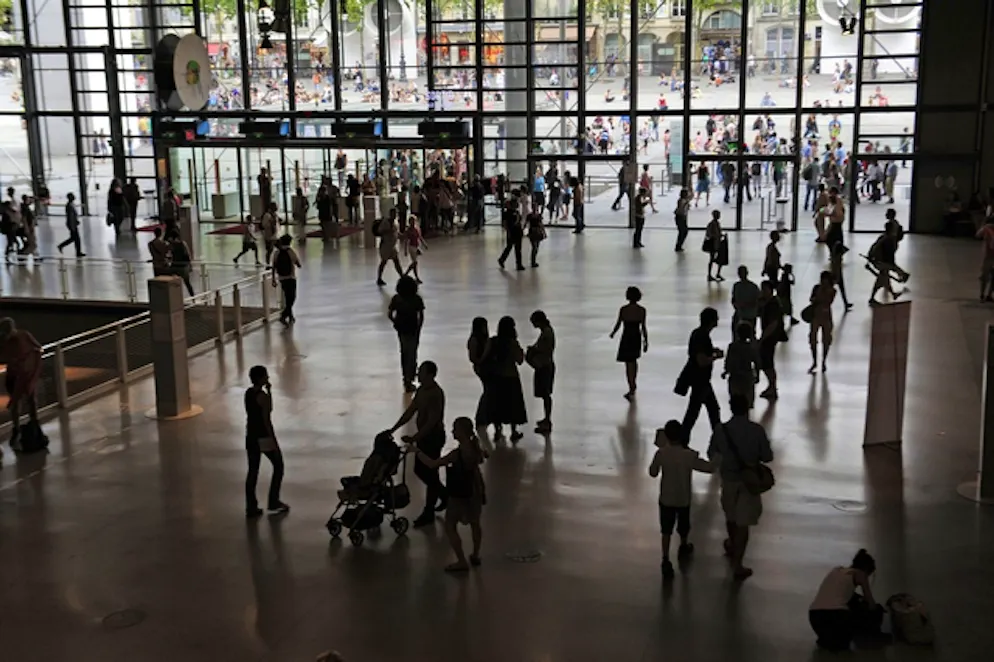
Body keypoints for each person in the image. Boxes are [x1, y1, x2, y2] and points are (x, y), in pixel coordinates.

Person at [707, 394, 773, 580]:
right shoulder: (757, 430)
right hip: (748, 482)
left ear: (731, 408)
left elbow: (712, 452)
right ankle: (738, 564)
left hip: (728, 480)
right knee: (744, 524)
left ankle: (731, 544)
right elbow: (767, 456)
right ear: (747, 408)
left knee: (731, 517)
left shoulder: (721, 430)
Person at [406, 417, 485, 572]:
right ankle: (475, 554)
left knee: (450, 526)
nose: (452, 431)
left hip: (459, 493)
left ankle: (461, 561)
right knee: (475, 523)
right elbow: (482, 457)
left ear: (461, 433)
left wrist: (417, 451)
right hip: (475, 491)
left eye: (455, 429)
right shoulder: (476, 449)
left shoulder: (456, 454)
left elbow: (432, 464)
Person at [648, 420, 714, 578]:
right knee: (683, 525)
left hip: (666, 498)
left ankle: (665, 558)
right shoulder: (688, 455)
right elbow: (708, 468)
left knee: (666, 530)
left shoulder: (661, 454)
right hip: (683, 498)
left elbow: (653, 472)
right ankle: (684, 545)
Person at [387, 361, 448, 528]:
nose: (418, 374)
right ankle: (443, 494)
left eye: (421, 371)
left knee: (429, 471)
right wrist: (394, 428)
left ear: (430, 375)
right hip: (424, 437)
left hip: (433, 437)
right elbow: (411, 411)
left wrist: (415, 437)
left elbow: (432, 421)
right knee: (421, 470)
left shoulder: (436, 394)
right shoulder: (422, 390)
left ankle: (429, 511)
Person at [809, 549, 884, 652]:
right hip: (836, 616)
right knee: (871, 612)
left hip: (815, 617)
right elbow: (871, 605)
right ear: (866, 569)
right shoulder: (861, 574)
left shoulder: (836, 570)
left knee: (852, 600)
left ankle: (827, 639)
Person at [244, 365, 289, 517]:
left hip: (251, 437)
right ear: (261, 378)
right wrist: (273, 440)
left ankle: (251, 506)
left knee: (253, 471)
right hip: (263, 437)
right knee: (278, 466)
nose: (268, 378)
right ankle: (273, 500)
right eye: (266, 376)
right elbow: (267, 417)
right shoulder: (262, 397)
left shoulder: (248, 393)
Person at [677, 307, 722, 445]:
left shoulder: (697, 333)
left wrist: (711, 351)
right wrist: (715, 356)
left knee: (706, 410)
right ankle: (719, 440)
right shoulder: (702, 336)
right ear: (712, 321)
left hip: (699, 379)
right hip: (700, 380)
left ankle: (718, 438)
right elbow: (701, 360)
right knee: (697, 412)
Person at [480, 316, 528, 443]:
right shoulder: (512, 343)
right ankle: (513, 431)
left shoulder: (492, 341)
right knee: (512, 405)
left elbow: (484, 357)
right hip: (511, 377)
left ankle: (497, 430)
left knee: (497, 404)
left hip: (496, 378)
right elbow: (520, 360)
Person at [0, 317, 42, 450]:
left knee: (31, 400)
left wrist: (28, 360)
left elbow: (38, 348)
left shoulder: (24, 336)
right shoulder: (5, 341)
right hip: (14, 376)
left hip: (26, 375)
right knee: (15, 403)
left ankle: (34, 425)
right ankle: (17, 428)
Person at [610, 286, 648, 401]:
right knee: (634, 360)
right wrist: (646, 340)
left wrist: (613, 333)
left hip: (626, 336)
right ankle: (633, 383)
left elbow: (618, 323)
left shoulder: (624, 309)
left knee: (628, 363)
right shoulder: (642, 310)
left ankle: (631, 384)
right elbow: (643, 327)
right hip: (636, 336)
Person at [388, 276, 425, 392]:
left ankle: (406, 378)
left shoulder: (396, 299)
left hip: (402, 329)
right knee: (412, 352)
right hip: (413, 329)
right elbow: (421, 316)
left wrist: (395, 323)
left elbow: (390, 313)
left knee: (404, 352)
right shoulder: (416, 299)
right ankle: (411, 375)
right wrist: (419, 327)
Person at [526, 310, 555, 433]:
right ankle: (546, 419)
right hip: (545, 365)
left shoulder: (546, 333)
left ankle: (548, 421)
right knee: (545, 395)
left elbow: (544, 349)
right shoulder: (546, 331)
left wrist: (533, 352)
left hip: (544, 366)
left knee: (545, 394)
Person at [758, 280, 787, 400]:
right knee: (767, 362)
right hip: (770, 336)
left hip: (770, 337)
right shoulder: (769, 303)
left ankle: (772, 387)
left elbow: (773, 323)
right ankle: (772, 386)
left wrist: (763, 337)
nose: (763, 292)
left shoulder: (773, 304)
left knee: (767, 362)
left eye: (765, 289)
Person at [723, 322, 760, 409]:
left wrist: (726, 371)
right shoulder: (751, 347)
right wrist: (757, 375)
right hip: (747, 376)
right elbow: (757, 362)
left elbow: (728, 360)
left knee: (735, 399)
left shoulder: (732, 346)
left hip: (735, 376)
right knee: (747, 401)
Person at [808, 271, 837, 374]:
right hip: (816, 316)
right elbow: (811, 299)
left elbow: (828, 301)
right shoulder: (816, 288)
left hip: (826, 317)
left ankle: (823, 360)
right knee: (813, 339)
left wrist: (821, 295)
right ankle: (815, 360)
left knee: (826, 340)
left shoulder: (832, 290)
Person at [467, 317, 491, 431]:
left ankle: (483, 416)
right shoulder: (475, 340)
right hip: (482, 368)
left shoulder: (482, 339)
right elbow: (473, 358)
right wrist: (483, 358)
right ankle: (481, 417)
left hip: (485, 367)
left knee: (488, 391)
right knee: (488, 391)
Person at [271, 234, 301, 325]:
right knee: (292, 297)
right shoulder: (291, 251)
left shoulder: (276, 252)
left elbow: (273, 267)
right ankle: (284, 316)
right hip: (291, 277)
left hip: (282, 278)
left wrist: (273, 279)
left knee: (288, 297)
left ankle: (290, 316)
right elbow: (298, 264)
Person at [375, 209, 403, 287]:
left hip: (392, 245)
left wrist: (401, 235)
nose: (394, 215)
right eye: (392, 213)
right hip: (385, 245)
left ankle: (402, 276)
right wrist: (388, 231)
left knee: (396, 261)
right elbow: (380, 231)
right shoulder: (385, 222)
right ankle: (379, 278)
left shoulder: (396, 222)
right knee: (384, 262)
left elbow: (396, 232)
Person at [731, 265, 761, 337]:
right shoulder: (736, 286)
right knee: (736, 332)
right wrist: (735, 304)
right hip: (740, 313)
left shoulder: (753, 287)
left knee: (750, 334)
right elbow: (733, 299)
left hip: (749, 315)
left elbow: (757, 301)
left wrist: (744, 305)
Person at [498, 198, 525, 271]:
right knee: (510, 247)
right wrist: (508, 231)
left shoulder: (516, 212)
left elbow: (520, 221)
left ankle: (518, 264)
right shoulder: (507, 213)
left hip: (518, 231)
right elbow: (505, 224)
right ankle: (502, 259)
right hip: (512, 231)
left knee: (517, 248)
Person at [166, 229, 195, 296]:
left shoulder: (172, 245)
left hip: (175, 266)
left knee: (171, 282)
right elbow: (188, 255)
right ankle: (193, 297)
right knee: (187, 283)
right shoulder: (182, 244)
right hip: (183, 266)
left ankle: (174, 297)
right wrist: (190, 265)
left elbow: (169, 254)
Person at [57, 192, 85, 257]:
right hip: (72, 224)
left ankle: (77, 251)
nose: (74, 197)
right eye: (73, 196)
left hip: (73, 223)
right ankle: (62, 246)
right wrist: (73, 224)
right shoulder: (69, 205)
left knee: (74, 238)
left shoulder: (71, 204)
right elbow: (70, 216)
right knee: (76, 238)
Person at [829, 244, 854, 311]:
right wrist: (837, 278)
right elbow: (836, 268)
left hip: (837, 274)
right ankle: (845, 304)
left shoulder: (834, 256)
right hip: (836, 275)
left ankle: (846, 304)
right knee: (834, 290)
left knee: (842, 290)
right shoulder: (837, 258)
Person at [402, 216, 427, 283]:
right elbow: (406, 240)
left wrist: (424, 244)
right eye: (411, 221)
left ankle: (416, 277)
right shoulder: (408, 230)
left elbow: (420, 237)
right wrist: (405, 250)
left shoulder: (417, 229)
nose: (412, 222)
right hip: (411, 247)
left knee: (415, 263)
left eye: (413, 221)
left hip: (416, 246)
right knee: (415, 262)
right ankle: (406, 274)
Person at [704, 210, 727, 281]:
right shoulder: (712, 224)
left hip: (717, 243)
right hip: (713, 244)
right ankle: (710, 274)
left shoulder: (716, 223)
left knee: (719, 259)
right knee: (712, 259)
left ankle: (716, 273)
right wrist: (717, 236)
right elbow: (708, 234)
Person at [978, 214, 994, 301]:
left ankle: (984, 295)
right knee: (989, 277)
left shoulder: (987, 229)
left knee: (986, 276)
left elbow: (978, 235)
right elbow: (978, 235)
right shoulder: (987, 229)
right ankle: (987, 295)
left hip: (988, 256)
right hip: (989, 256)